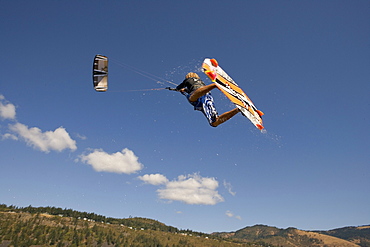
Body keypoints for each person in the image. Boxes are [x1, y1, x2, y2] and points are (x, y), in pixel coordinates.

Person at [175, 72, 240, 127]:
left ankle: (215, 85)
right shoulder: (199, 81)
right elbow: (193, 88)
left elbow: (178, 87)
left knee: (191, 99)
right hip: (206, 94)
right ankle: (239, 109)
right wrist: (185, 90)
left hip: (200, 95)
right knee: (214, 122)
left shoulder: (187, 80)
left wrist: (178, 89)